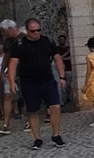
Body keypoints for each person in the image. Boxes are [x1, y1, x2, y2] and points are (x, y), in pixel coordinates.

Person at [6, 17, 66, 149]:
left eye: (39, 30)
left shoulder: (47, 41)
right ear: (27, 31)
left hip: (48, 81)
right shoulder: (20, 44)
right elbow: (13, 63)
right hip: (29, 83)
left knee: (55, 106)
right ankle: (37, 138)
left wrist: (62, 77)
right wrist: (11, 81)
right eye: (33, 31)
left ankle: (56, 135)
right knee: (33, 111)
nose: (37, 33)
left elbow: (57, 58)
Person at [0, 19, 23, 124]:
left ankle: (29, 120)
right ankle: (6, 123)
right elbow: (6, 56)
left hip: (24, 71)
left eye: (4, 31)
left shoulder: (24, 39)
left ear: (10, 29)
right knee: (7, 95)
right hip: (12, 72)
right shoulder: (7, 42)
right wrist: (2, 70)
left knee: (26, 95)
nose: (3, 34)